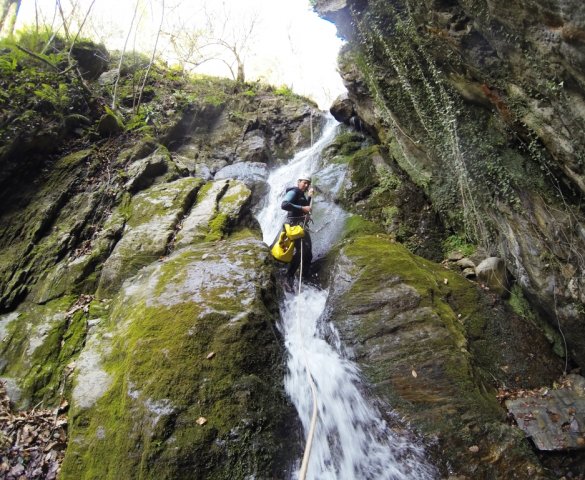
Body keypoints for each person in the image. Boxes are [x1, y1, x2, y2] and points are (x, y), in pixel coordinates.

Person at [281, 174, 314, 292]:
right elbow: (284, 204)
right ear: (298, 182)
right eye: (304, 182)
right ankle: (288, 277)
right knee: (303, 250)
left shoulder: (301, 195)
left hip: (300, 226)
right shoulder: (294, 191)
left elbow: (305, 208)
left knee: (308, 253)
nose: (306, 185)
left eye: (308, 183)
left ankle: (304, 279)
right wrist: (302, 209)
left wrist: (309, 197)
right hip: (292, 226)